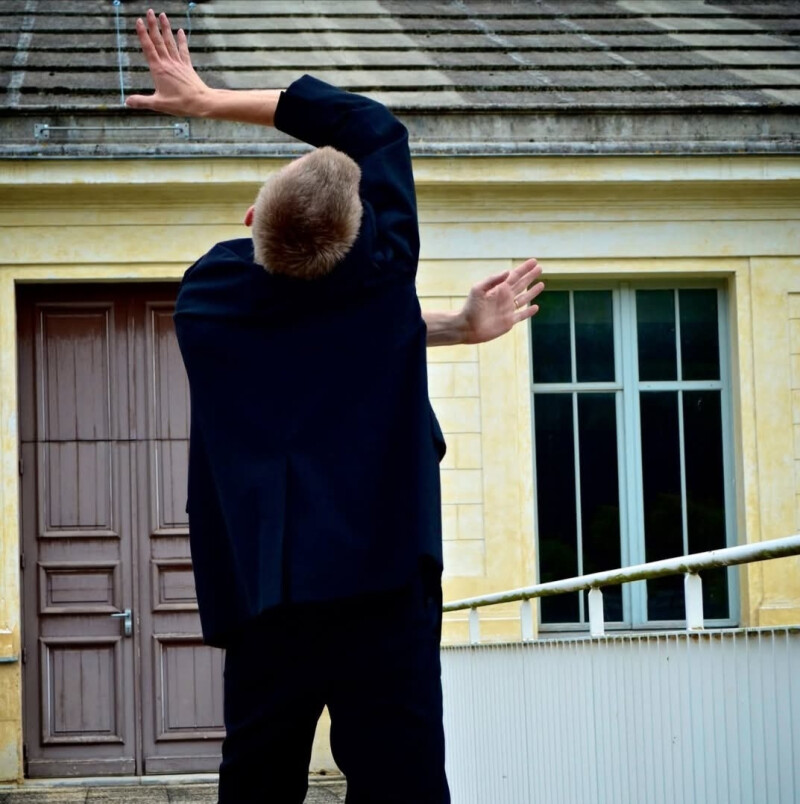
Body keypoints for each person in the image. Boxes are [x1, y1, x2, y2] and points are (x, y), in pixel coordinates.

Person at [127, 10, 544, 804]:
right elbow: (371, 125)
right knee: (403, 788)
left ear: (250, 225)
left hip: (266, 594)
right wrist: (210, 98)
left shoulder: (206, 301)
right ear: (362, 244)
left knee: (255, 785)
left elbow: (321, 311)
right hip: (384, 588)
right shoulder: (379, 281)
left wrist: (452, 326)